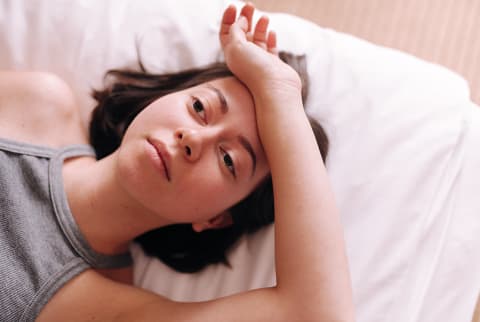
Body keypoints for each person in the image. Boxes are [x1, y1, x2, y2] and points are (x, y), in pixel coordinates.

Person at [0, 3, 354, 321]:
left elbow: (317, 315)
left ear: (214, 219)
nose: (193, 139)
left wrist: (280, 92)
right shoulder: (40, 104)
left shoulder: (98, 305)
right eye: (200, 108)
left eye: (229, 159)